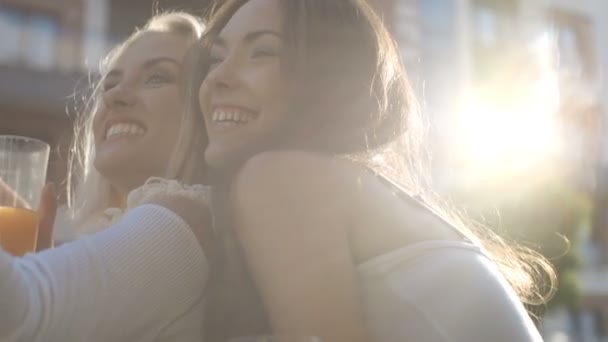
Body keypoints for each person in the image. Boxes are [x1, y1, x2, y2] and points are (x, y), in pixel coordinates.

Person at [192, 0, 556, 341]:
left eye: (262, 52)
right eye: (215, 58)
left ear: (329, 75)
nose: (218, 78)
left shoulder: (281, 177)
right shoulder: (352, 186)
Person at [0, 12, 214, 342]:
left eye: (156, 78)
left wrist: (30, 285)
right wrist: (33, 268)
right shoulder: (114, 233)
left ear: (205, 111)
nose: (115, 96)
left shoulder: (183, 220)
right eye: (110, 83)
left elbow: (19, 311)